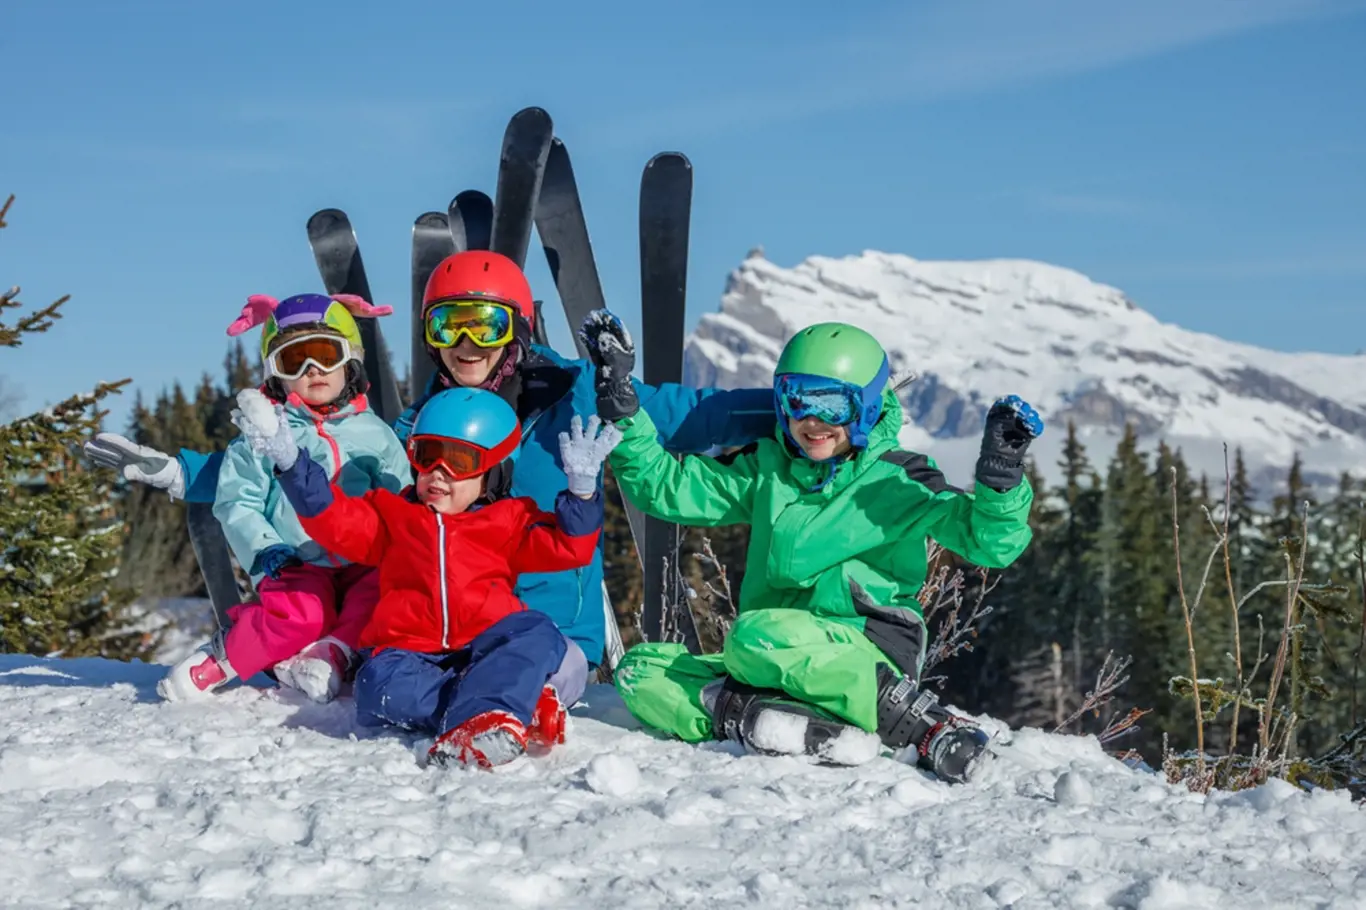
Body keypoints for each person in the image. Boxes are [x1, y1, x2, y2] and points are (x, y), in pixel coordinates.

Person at [86, 251, 776, 703]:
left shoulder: (583, 398)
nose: (467, 346)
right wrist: (184, 472)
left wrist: (804, 410)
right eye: (450, 327)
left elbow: (700, 416)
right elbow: (328, 465)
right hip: (443, 634)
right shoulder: (422, 428)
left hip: (546, 633)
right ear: (431, 335)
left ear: (518, 328)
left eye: (484, 325)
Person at [580, 313, 1042, 783]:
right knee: (641, 671)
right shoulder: (771, 469)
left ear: (865, 407)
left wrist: (1000, 487)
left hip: (862, 652)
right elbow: (670, 488)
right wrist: (625, 414)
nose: (813, 421)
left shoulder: (898, 479)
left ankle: (920, 723)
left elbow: (988, 544)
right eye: (796, 401)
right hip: (773, 656)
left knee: (753, 634)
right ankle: (773, 721)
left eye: (833, 406)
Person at [231, 383, 618, 768]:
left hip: (485, 647)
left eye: (459, 462)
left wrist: (582, 495)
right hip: (407, 654)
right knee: (375, 687)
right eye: (427, 455)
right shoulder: (393, 517)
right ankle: (505, 708)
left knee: (542, 636)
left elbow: (572, 545)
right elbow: (333, 519)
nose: (438, 473)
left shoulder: (510, 521)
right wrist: (291, 463)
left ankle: (492, 709)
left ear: (495, 473)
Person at [157, 293, 411, 703]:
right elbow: (237, 500)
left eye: (325, 355)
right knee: (303, 612)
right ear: (276, 374)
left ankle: (331, 654)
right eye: (295, 361)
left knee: (381, 596)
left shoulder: (374, 433)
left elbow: (401, 492)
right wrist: (265, 550)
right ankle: (222, 659)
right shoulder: (264, 435)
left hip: (362, 557)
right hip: (295, 559)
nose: (313, 371)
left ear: (351, 360)